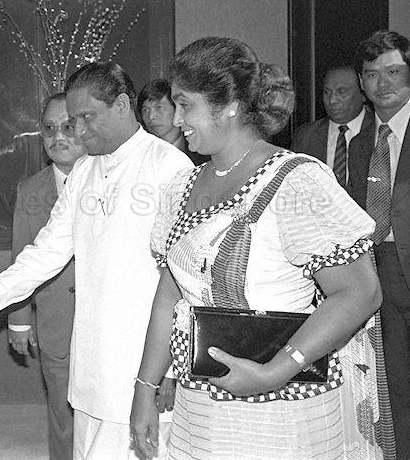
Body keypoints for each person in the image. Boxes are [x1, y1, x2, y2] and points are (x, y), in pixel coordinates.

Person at [130, 36, 387, 460]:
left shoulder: (299, 181)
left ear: (228, 105)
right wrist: (145, 388)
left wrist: (274, 372)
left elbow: (361, 292)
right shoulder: (181, 187)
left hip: (283, 414)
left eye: (185, 104)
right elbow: (167, 296)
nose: (176, 119)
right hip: (201, 411)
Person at [0, 62, 193, 459]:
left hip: (145, 365)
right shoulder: (84, 171)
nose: (79, 131)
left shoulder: (167, 166)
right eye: (73, 120)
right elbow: (46, 251)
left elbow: (186, 279)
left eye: (87, 118)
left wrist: (169, 370)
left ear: (122, 105)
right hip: (91, 365)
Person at [7, 92, 86, 460]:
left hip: (109, 323)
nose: (59, 137)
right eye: (50, 128)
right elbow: (23, 255)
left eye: (69, 127)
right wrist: (20, 321)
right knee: (63, 414)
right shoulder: (31, 190)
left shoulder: (114, 181)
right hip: (57, 322)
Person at [348, 29, 410, 459]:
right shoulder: (356, 146)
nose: (382, 83)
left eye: (393, 71)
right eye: (372, 74)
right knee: (395, 381)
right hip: (379, 270)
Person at [290, 64, 372, 186]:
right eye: (327, 92)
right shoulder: (306, 136)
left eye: (342, 92)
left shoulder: (379, 132)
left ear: (363, 94)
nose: (332, 100)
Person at [137, 79, 208, 165]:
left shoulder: (202, 151)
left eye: (159, 107)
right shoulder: (138, 155)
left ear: (177, 109)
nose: (151, 116)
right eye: (145, 110)